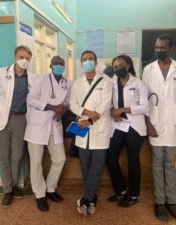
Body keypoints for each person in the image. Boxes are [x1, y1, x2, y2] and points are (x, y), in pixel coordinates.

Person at [142, 34, 176, 222]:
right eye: (157, 47)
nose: (159, 50)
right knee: (157, 162)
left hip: (173, 123)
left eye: (162, 48)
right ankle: (160, 202)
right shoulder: (148, 69)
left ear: (171, 49)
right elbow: (144, 100)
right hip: (154, 122)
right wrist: (148, 124)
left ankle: (172, 201)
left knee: (170, 163)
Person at [0, 45, 35, 208]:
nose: (24, 60)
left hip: (20, 120)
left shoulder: (32, 78)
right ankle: (7, 190)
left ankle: (13, 186)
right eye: (21, 57)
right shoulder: (0, 73)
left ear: (30, 60)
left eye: (27, 58)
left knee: (18, 155)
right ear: (15, 57)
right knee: (4, 157)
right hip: (0, 121)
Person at [24, 55, 72, 211]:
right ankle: (40, 195)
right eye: (56, 63)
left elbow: (68, 102)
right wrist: (52, 107)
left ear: (64, 66)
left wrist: (62, 110)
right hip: (37, 126)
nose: (59, 66)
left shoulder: (67, 83)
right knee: (36, 162)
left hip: (54, 126)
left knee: (60, 159)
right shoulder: (41, 80)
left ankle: (50, 188)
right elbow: (30, 99)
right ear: (50, 65)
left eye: (61, 64)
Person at [70, 50, 112, 216]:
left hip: (99, 129)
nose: (87, 61)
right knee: (84, 165)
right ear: (81, 63)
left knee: (96, 167)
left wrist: (91, 119)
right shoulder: (77, 83)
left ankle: (86, 199)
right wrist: (86, 111)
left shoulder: (106, 81)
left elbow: (106, 104)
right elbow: (72, 104)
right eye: (84, 59)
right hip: (82, 129)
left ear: (96, 62)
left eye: (90, 59)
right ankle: (92, 198)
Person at [106, 55, 149, 208]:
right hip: (118, 125)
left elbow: (145, 107)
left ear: (128, 65)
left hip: (135, 126)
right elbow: (108, 102)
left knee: (133, 160)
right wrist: (112, 110)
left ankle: (134, 194)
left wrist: (123, 110)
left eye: (121, 65)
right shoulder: (111, 83)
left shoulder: (138, 84)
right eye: (115, 67)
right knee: (110, 157)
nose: (118, 69)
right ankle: (121, 190)